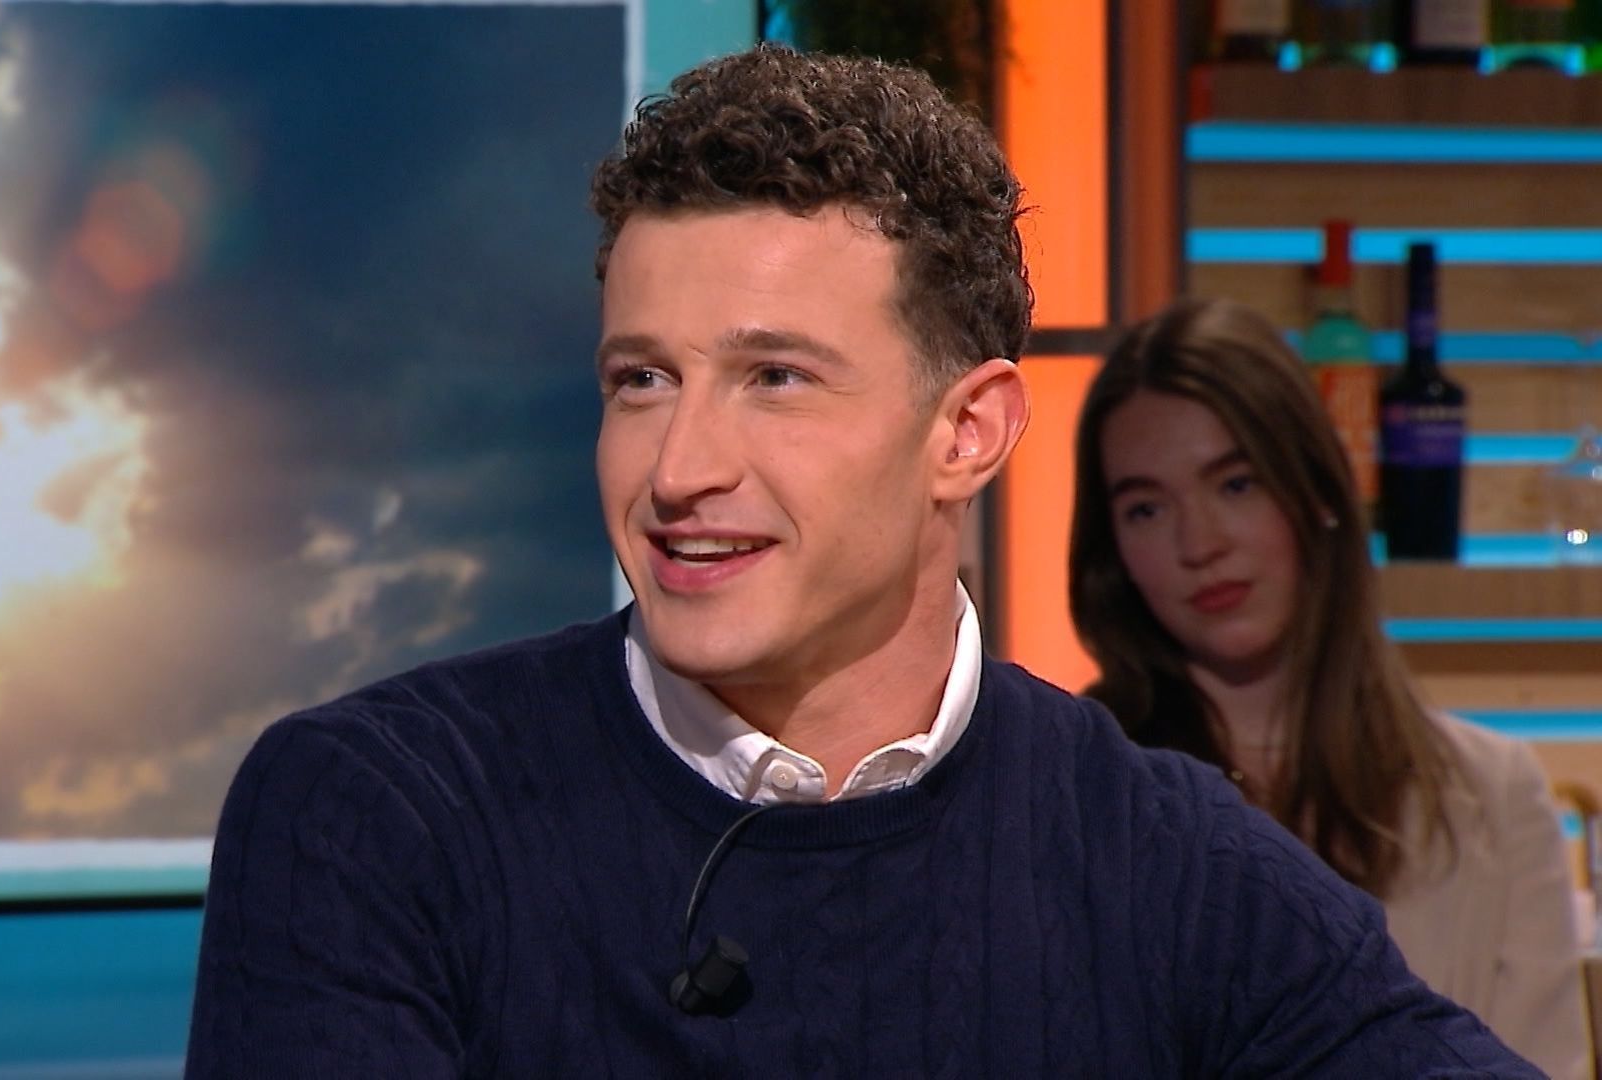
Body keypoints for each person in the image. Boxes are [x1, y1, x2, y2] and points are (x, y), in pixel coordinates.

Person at [187, 46, 1539, 1075]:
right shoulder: (376, 812)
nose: (678, 468)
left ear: (968, 433)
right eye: (642, 379)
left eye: (774, 378)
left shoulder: (1168, 860)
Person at [1068, 296, 1590, 1078]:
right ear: (1114, 552)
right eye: (1146, 508)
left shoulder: (1493, 797)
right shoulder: (1070, 798)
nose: (1199, 543)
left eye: (1236, 484)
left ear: (1317, 494)